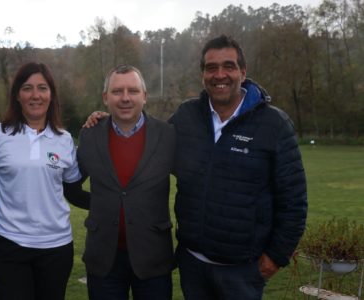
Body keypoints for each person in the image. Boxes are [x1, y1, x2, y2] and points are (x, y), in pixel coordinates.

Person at [168, 35, 307, 299]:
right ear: (203, 75)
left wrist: (275, 257)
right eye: (211, 67)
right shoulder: (186, 116)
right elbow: (150, 142)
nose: (220, 74)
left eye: (228, 66)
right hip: (192, 265)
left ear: (243, 72)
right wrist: (110, 121)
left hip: (243, 273)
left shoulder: (274, 125)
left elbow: (294, 201)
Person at [0, 62, 89, 300]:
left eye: (42, 88)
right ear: (17, 95)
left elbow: (73, 191)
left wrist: (114, 203)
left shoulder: (65, 140)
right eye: (27, 88)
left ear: (51, 95)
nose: (35, 95)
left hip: (57, 248)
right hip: (9, 246)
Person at [77, 65, 175, 300]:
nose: (125, 98)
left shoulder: (168, 135)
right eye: (117, 91)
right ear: (105, 98)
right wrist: (102, 205)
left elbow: (192, 183)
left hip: (153, 258)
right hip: (104, 259)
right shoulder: (89, 135)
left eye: (132, 91)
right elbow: (71, 185)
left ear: (144, 95)